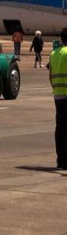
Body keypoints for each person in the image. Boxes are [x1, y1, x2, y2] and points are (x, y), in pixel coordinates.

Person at [47, 28, 67, 169]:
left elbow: (51, 74)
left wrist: (55, 88)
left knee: (60, 128)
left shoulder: (53, 54)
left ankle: (61, 160)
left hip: (58, 95)